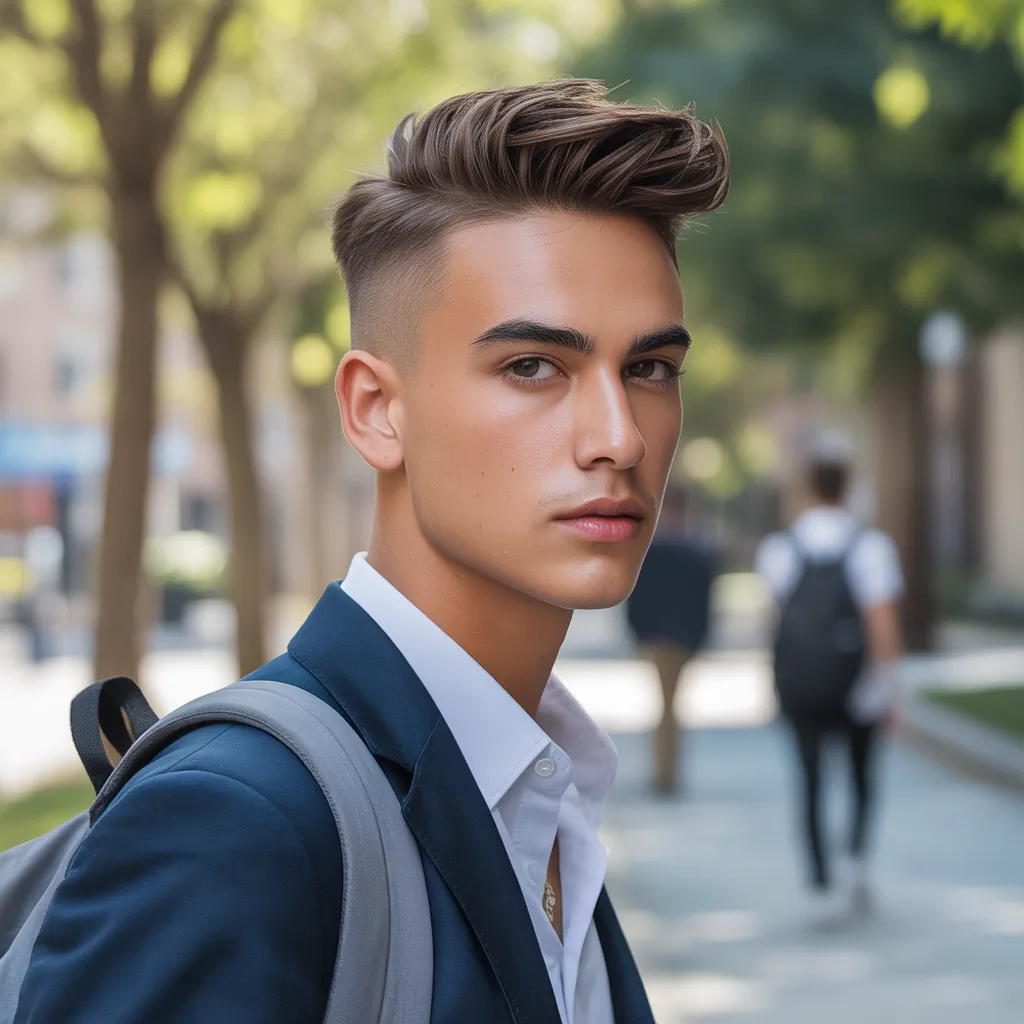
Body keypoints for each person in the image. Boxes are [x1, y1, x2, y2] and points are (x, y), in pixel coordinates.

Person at [15, 80, 729, 1022]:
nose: (620, 437)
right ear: (374, 410)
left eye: (649, 369)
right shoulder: (236, 821)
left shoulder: (535, 783)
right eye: (532, 366)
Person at [756, 440, 903, 924]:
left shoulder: (779, 549)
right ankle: (855, 860)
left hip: (801, 683)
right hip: (856, 683)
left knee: (811, 779)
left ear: (807, 490)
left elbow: (776, 621)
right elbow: (881, 623)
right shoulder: (871, 547)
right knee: (861, 775)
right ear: (848, 488)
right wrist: (889, 685)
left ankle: (819, 879)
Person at [626, 484, 715, 794]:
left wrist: (637, 632)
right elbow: (705, 602)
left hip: (656, 637)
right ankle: (666, 772)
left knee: (666, 706)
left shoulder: (650, 552)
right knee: (669, 706)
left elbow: (635, 599)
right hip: (681, 639)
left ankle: (665, 773)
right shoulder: (696, 552)